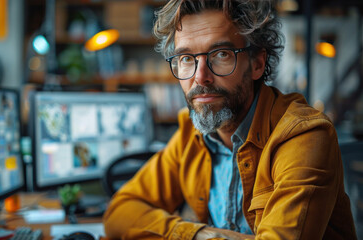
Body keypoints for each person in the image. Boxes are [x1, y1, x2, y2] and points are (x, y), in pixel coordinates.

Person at [103, 0, 357, 239]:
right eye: (186, 59)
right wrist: (197, 234)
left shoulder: (303, 135)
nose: (200, 77)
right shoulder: (191, 136)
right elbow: (119, 212)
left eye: (221, 54)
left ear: (257, 63)